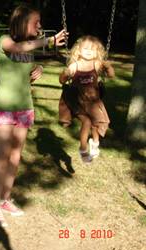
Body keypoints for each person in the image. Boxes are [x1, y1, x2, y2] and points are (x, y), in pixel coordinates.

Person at [0, 4, 67, 227]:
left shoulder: (29, 50)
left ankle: (5, 199)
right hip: (4, 108)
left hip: (24, 108)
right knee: (2, 157)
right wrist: (49, 42)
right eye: (37, 22)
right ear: (23, 22)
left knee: (15, 157)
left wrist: (37, 72)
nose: (40, 26)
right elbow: (16, 48)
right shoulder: (5, 40)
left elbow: (24, 74)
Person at [58, 35, 115, 163]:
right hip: (78, 100)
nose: (89, 51)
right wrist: (65, 74)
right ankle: (83, 150)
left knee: (98, 123)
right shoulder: (75, 66)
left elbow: (111, 76)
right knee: (87, 122)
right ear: (79, 50)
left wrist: (109, 67)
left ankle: (94, 143)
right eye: (85, 48)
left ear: (97, 52)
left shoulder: (96, 64)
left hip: (93, 100)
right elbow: (62, 81)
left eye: (92, 49)